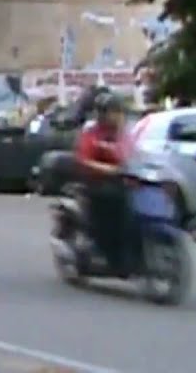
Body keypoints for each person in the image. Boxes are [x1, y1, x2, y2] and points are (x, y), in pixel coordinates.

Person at [74, 91, 132, 273]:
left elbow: (135, 153)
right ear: (102, 113)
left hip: (121, 181)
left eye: (120, 112)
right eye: (113, 112)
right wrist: (106, 169)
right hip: (97, 183)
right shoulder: (92, 133)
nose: (117, 116)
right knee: (112, 203)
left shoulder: (123, 134)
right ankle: (106, 251)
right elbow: (84, 159)